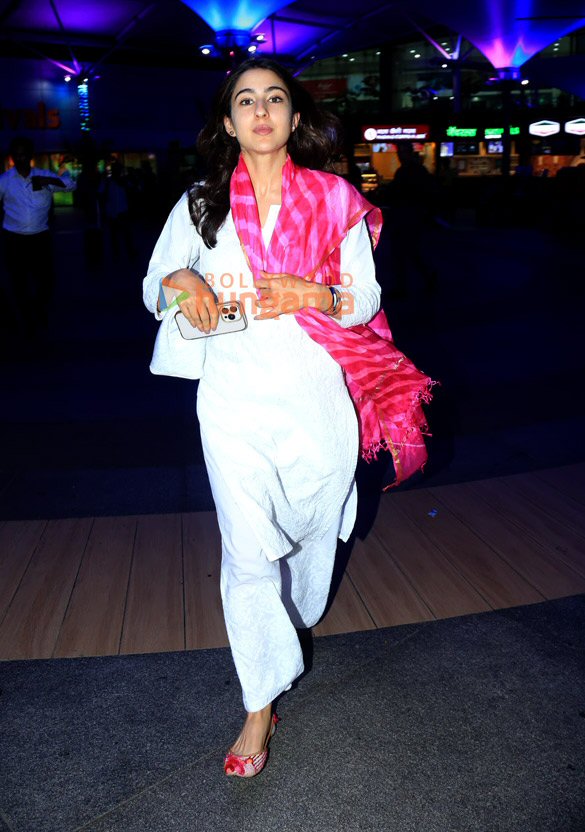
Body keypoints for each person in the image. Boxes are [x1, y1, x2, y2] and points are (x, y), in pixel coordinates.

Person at [143, 58, 432, 779]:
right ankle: (258, 701)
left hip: (314, 399)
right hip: (233, 399)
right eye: (246, 99)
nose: (261, 109)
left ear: (294, 118)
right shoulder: (201, 203)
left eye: (275, 98)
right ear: (228, 121)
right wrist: (179, 278)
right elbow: (154, 285)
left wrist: (313, 291)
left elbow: (363, 299)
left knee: (308, 542)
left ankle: (289, 630)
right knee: (246, 554)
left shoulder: (334, 199)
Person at [0, 136, 76, 328]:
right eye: (16, 155)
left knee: (47, 280)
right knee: (19, 281)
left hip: (40, 237)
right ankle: (27, 319)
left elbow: (71, 184)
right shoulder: (5, 180)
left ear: (30, 156)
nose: (20, 159)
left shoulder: (43, 175)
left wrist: (49, 180)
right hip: (14, 239)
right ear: (12, 157)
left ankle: (38, 306)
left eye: (24, 154)